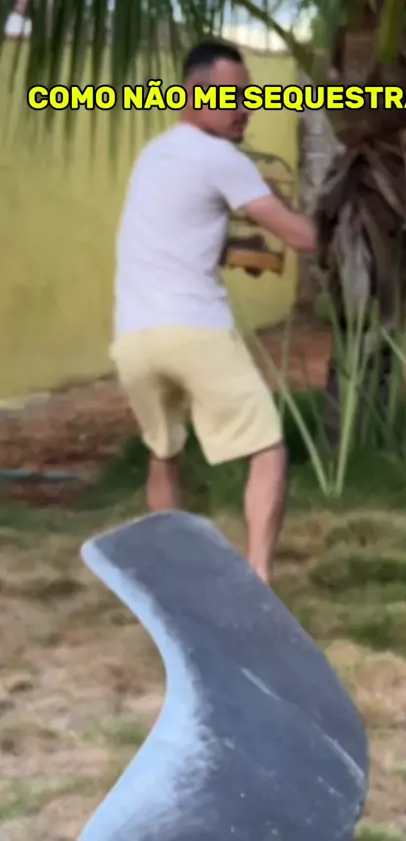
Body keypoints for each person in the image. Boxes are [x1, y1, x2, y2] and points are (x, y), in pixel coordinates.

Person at [111, 40, 317, 584]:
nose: (245, 108)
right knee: (267, 449)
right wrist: (331, 221)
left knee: (164, 454)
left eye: (250, 96)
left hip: (132, 338)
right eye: (232, 97)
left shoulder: (154, 155)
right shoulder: (221, 157)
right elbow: (300, 237)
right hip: (194, 331)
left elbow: (179, 233)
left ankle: (173, 581)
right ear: (193, 94)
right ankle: (259, 577)